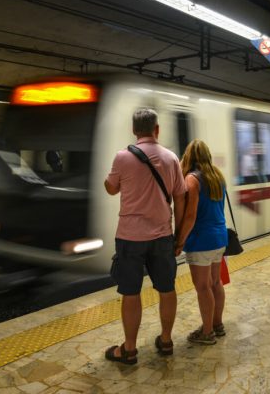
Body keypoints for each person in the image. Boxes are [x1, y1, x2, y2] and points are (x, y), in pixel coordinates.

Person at [103, 109, 186, 364]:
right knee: (167, 288)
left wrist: (114, 181)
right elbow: (180, 197)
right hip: (162, 235)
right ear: (157, 129)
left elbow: (111, 189)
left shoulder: (122, 157)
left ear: (134, 131)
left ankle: (128, 349)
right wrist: (179, 236)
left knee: (131, 292)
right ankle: (166, 340)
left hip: (130, 238)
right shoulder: (172, 158)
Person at [175, 139, 228, 345]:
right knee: (215, 282)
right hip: (219, 237)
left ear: (188, 156)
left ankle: (207, 332)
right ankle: (217, 324)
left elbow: (190, 216)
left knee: (202, 287)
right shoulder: (217, 177)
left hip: (201, 240)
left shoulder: (192, 180)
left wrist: (180, 241)